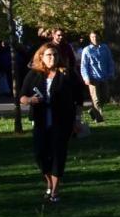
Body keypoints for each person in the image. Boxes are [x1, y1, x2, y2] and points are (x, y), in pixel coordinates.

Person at [19, 42, 82, 203]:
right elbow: (22, 97)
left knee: (57, 154)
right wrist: (30, 100)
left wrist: (77, 120)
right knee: (40, 154)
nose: (52, 58)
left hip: (62, 120)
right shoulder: (34, 74)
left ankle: (54, 190)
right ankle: (48, 181)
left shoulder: (66, 74)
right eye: (48, 55)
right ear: (41, 57)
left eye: (54, 55)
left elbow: (78, 99)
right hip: (40, 119)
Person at [79, 31, 113, 123]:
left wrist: (111, 73)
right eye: (93, 37)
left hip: (104, 77)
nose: (95, 39)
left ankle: (92, 110)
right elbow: (84, 65)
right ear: (90, 38)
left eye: (96, 37)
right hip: (93, 78)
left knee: (105, 97)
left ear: (100, 37)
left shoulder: (105, 48)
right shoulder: (87, 50)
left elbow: (110, 61)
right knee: (96, 99)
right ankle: (100, 118)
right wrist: (86, 77)